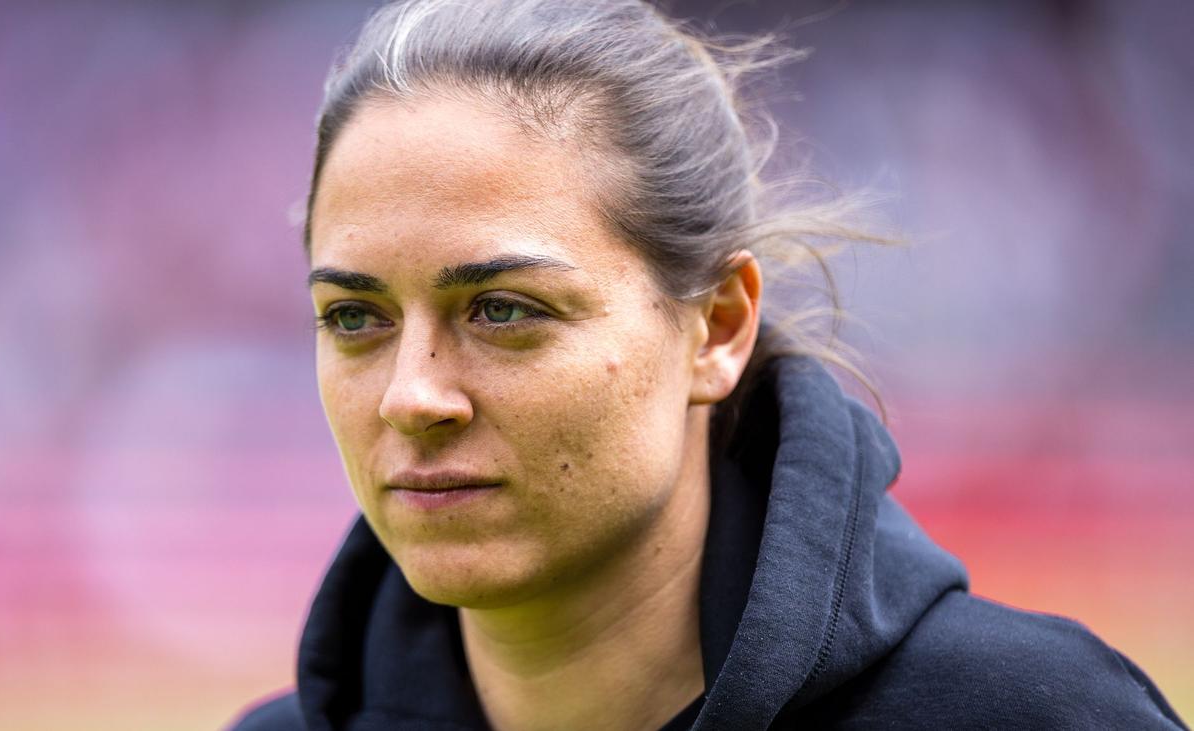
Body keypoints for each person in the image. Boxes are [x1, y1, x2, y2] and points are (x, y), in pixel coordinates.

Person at [230, 1, 1187, 728]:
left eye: (505, 309)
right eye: (354, 317)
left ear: (719, 326)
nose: (411, 396)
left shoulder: (1031, 714)